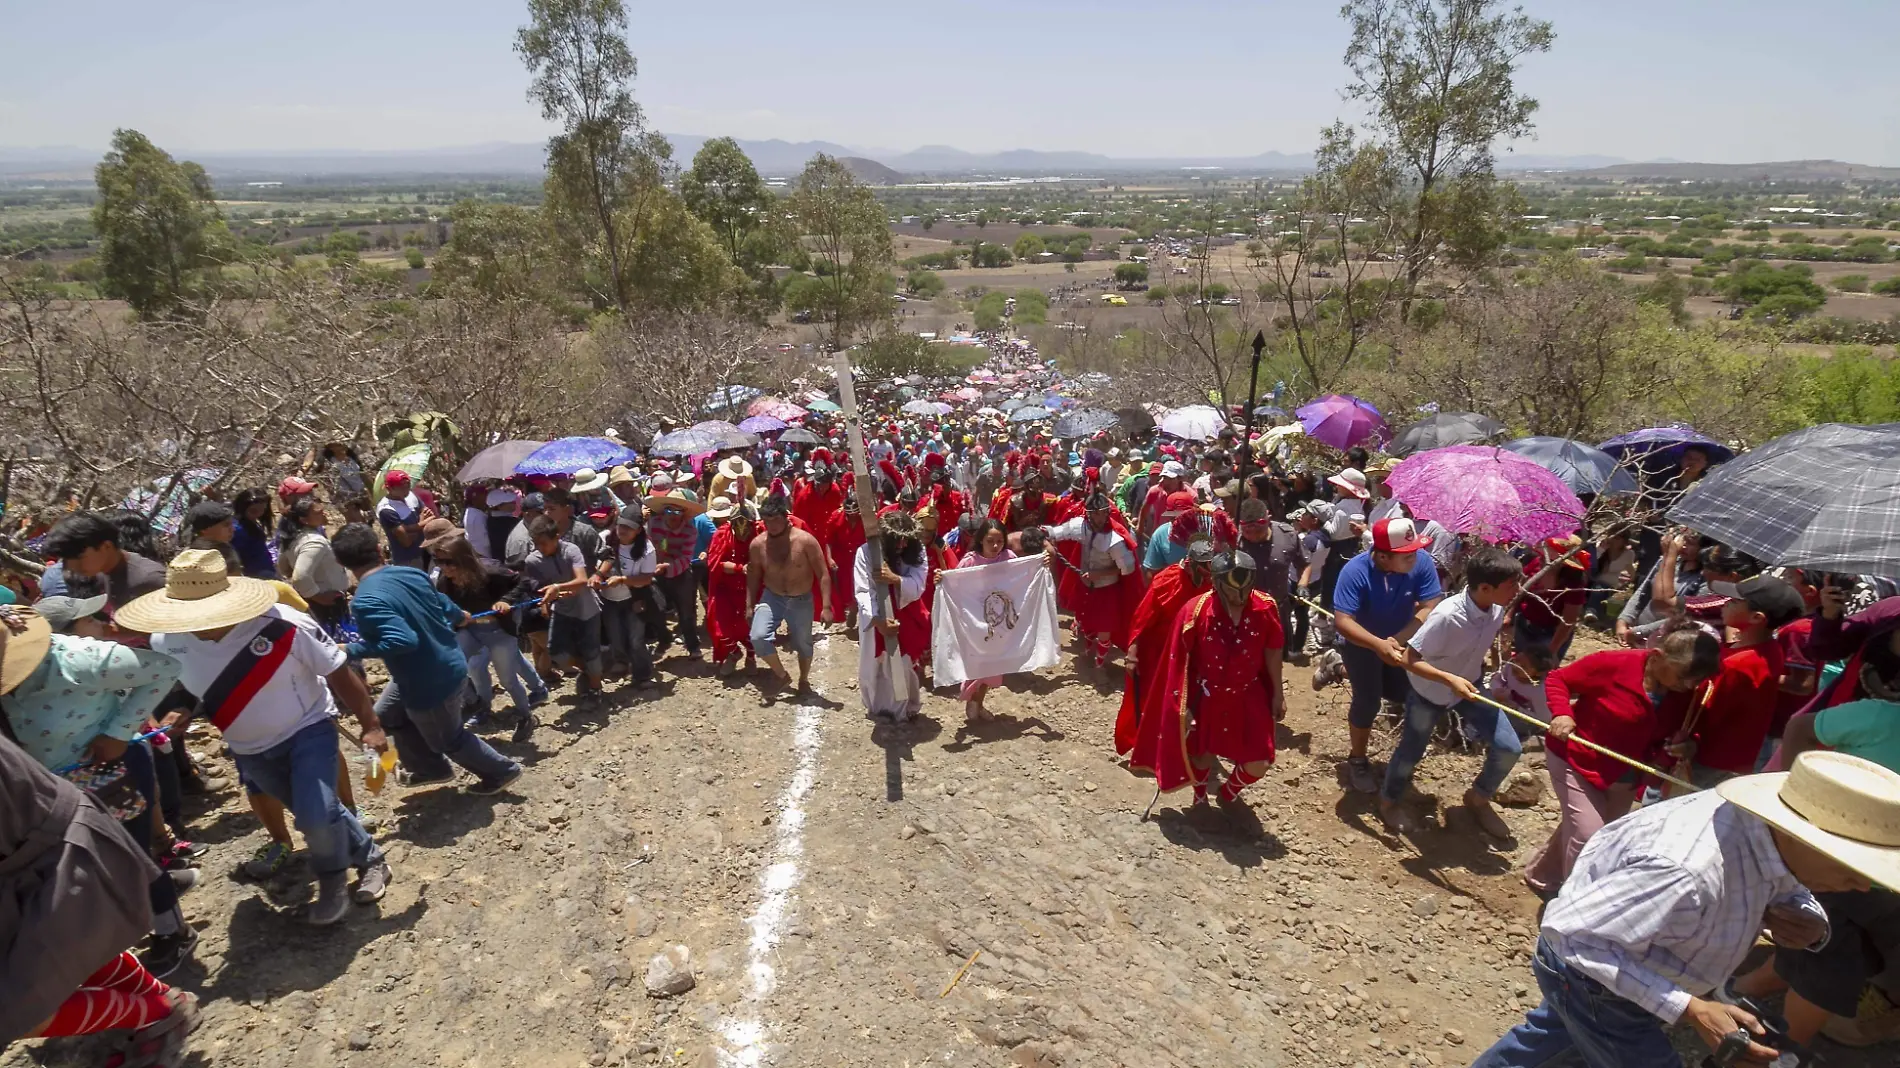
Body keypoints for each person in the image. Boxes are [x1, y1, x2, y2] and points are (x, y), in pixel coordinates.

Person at [1469, 751, 1894, 1068]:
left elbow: (1785, 879)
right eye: (1851, 868)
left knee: (1552, 1041)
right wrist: (1691, 1008)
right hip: (1593, 975)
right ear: (1806, 837)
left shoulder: (1770, 835)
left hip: (1637, 968)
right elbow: (1573, 938)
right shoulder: (1686, 869)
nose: (1862, 884)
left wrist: (1806, 918)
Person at [119, 548, 394, 925]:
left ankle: (332, 879)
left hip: (307, 728)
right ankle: (372, 859)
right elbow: (189, 683)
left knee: (315, 817)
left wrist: (371, 724)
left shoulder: (282, 625)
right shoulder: (168, 641)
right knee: (316, 810)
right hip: (247, 746)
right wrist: (182, 707)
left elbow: (338, 671)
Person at [0, 602, 199, 976]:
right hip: (57, 787)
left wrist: (118, 732)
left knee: (130, 856)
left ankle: (174, 931)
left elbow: (163, 669)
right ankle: (147, 903)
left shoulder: (79, 658)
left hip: (111, 771)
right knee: (100, 862)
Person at [0, 695, 199, 1061]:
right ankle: (160, 1000)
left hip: (57, 843)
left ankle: (158, 1012)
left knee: (12, 1010)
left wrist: (120, 732)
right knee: (66, 946)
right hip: (40, 842)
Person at [1733, 695, 1900, 1049]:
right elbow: (1800, 727)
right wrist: (1792, 796)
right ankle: (1779, 1050)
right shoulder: (1880, 718)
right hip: (1830, 859)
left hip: (1885, 880)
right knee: (1829, 964)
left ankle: (1742, 995)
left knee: (1824, 946)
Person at [1522, 628, 1722, 896]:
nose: (1687, 686)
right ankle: (1573, 903)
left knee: (1591, 830)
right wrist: (1563, 713)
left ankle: (1542, 876)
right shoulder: (1613, 664)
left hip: (1626, 775)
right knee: (1590, 836)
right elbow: (1559, 679)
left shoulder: (1688, 693)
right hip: (1577, 760)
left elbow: (1691, 727)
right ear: (1658, 656)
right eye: (1683, 676)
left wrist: (1688, 744)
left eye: (1694, 681)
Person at [333, 523, 524, 794]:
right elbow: (442, 604)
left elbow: (402, 640)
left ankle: (502, 771)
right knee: (387, 716)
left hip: (429, 682)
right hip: (434, 668)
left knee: (449, 739)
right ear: (378, 549)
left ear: (341, 562)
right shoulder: (411, 573)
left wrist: (350, 649)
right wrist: (460, 615)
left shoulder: (365, 601)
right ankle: (431, 769)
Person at [1379, 546, 1523, 836]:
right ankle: (1388, 802)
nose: (1518, 590)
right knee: (1411, 750)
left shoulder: (1495, 610)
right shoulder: (1446, 616)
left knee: (1509, 748)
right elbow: (1409, 660)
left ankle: (1478, 798)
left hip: (1469, 686)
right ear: (1484, 587)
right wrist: (1449, 679)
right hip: (1429, 692)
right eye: (1511, 585)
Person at [1128, 547, 1285, 807]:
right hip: (1207, 695)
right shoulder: (1194, 612)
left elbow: (1273, 649)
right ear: (1218, 583)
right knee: (1201, 755)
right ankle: (1199, 798)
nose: (1240, 597)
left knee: (1261, 761)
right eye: (1233, 590)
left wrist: (1278, 693)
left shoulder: (1265, 607)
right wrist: (1183, 707)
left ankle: (1228, 793)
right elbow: (1178, 662)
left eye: (1244, 590)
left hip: (1248, 693)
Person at [1331, 517, 1444, 794]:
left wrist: (1397, 640)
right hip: (1361, 643)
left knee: (1406, 693)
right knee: (1367, 701)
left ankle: (1336, 668)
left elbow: (1430, 604)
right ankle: (1357, 759)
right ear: (1383, 556)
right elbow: (1344, 621)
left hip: (1399, 640)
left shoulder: (1421, 562)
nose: (1415, 558)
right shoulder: (1354, 572)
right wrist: (1377, 644)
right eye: (1406, 555)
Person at [1670, 574, 1804, 789]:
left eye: (1733, 602)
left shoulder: (1737, 665)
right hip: (1735, 757)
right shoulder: (1771, 650)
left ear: (1756, 618)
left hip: (1708, 760)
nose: (1725, 603)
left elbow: (1705, 713)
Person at [431, 528, 545, 741]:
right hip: (470, 629)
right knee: (457, 665)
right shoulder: (445, 582)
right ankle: (479, 705)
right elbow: (445, 607)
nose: (444, 568)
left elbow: (524, 582)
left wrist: (507, 601)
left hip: (499, 630)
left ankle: (526, 715)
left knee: (507, 679)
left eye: (449, 562)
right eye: (439, 561)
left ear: (463, 559)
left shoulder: (491, 571)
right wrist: (454, 618)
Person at [1118, 532, 1219, 757]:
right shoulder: (1167, 580)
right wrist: (1132, 654)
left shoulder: (1212, 584)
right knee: (1156, 702)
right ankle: (1153, 748)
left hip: (1194, 654)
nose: (1208, 572)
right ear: (1192, 563)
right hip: (1159, 653)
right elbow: (1141, 619)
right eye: (1204, 566)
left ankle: (1185, 748)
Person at [749, 482, 833, 695]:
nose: (772, 525)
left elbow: (823, 573)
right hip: (772, 597)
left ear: (785, 517)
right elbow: (754, 575)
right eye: (767, 521)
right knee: (758, 636)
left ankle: (803, 679)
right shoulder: (758, 544)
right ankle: (781, 675)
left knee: (803, 644)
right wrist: (748, 604)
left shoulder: (805, 541)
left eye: (776, 520)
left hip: (801, 599)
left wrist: (826, 606)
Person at [514, 515, 606, 702]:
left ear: (557, 536)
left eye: (544, 543)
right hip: (562, 610)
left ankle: (596, 690)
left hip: (586, 609)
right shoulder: (533, 561)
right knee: (556, 652)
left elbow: (581, 580)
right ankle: (588, 671)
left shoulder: (571, 550)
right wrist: (546, 602)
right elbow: (539, 587)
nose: (541, 548)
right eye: (536, 544)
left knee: (591, 651)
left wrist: (557, 588)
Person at [854, 511, 929, 723]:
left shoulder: (917, 550)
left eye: (907, 540)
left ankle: (904, 708)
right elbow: (863, 591)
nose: (903, 545)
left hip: (906, 612)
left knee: (903, 663)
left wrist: (895, 579)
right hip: (876, 615)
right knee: (875, 663)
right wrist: (878, 621)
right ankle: (878, 708)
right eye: (897, 540)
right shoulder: (866, 553)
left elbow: (918, 584)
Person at [38, 511, 168, 612]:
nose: (72, 567)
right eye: (66, 559)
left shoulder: (151, 579)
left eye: (79, 557)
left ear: (106, 546)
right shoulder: (98, 573)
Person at [954, 519, 1015, 723]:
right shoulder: (969, 562)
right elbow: (955, 587)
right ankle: (973, 702)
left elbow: (1022, 578)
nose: (996, 546)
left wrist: (1042, 565)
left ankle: (978, 703)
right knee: (977, 665)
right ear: (980, 540)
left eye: (1000, 541)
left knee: (992, 667)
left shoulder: (1008, 558)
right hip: (974, 626)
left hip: (998, 625)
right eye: (990, 541)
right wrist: (941, 580)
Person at [596, 505, 658, 690]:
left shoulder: (647, 549)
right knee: (615, 634)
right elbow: (597, 562)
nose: (622, 530)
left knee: (636, 639)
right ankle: (621, 661)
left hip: (634, 599)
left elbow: (647, 578)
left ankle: (642, 673)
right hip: (609, 598)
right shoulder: (605, 539)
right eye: (620, 525)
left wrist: (623, 580)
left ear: (638, 530)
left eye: (628, 527)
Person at [646, 485, 705, 660]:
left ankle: (692, 645)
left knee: (686, 612)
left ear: (684, 514)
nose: (672, 516)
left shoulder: (690, 531)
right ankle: (664, 639)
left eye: (677, 512)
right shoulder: (653, 524)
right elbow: (652, 546)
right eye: (668, 510)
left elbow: (685, 558)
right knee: (656, 608)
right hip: (657, 572)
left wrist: (666, 565)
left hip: (680, 574)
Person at [704, 498, 758, 676]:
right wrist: (739, 568)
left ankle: (751, 655)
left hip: (749, 589)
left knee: (748, 626)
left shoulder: (759, 534)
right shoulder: (721, 535)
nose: (743, 530)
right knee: (721, 625)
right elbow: (715, 564)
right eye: (737, 524)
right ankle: (734, 652)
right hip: (724, 587)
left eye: (747, 525)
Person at [276, 497, 350, 627]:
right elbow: (299, 577)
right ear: (304, 520)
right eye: (318, 513)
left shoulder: (292, 538)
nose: (324, 514)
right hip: (326, 605)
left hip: (315, 601)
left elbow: (283, 567)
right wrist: (318, 596)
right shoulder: (314, 542)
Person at [375, 470, 430, 570]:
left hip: (426, 550)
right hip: (408, 559)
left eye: (408, 485)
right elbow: (406, 541)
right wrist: (422, 523)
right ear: (389, 488)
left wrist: (411, 528)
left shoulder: (411, 496)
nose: (406, 489)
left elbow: (428, 514)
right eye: (401, 486)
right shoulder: (386, 510)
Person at [1140, 491, 1201, 579]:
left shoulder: (1207, 529)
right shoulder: (1160, 534)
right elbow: (1152, 572)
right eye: (1174, 517)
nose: (1179, 521)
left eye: (1184, 516)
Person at [229, 487, 278, 579]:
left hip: (264, 570)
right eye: (254, 511)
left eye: (262, 510)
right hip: (255, 575)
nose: (259, 514)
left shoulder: (252, 523)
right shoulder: (238, 530)